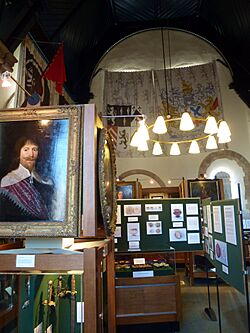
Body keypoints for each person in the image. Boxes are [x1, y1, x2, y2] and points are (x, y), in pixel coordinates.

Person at [0, 136, 53, 221]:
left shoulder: (46, 181)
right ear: (19, 153)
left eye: (34, 149)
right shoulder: (7, 181)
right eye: (26, 150)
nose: (31, 155)